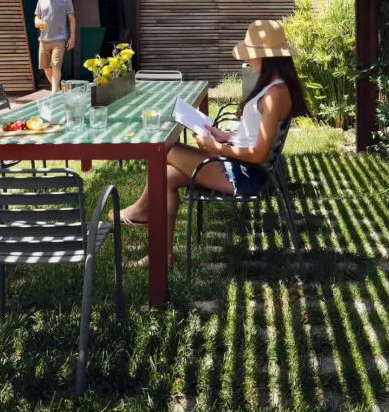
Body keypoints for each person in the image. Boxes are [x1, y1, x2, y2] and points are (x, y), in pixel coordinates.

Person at [117, 20, 309, 266]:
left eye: (251, 54)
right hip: (240, 165)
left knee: (166, 148)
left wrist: (215, 147)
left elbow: (259, 153)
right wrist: (224, 136)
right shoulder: (273, 86)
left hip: (245, 174)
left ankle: (140, 212)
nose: (247, 60)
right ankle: (161, 256)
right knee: (165, 176)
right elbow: (255, 135)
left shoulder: (275, 94)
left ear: (268, 57)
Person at [34, 0, 76, 93]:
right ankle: (57, 88)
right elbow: (37, 17)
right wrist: (37, 22)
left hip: (59, 38)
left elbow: (72, 19)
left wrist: (72, 37)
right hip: (44, 39)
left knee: (56, 65)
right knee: (46, 67)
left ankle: (53, 92)